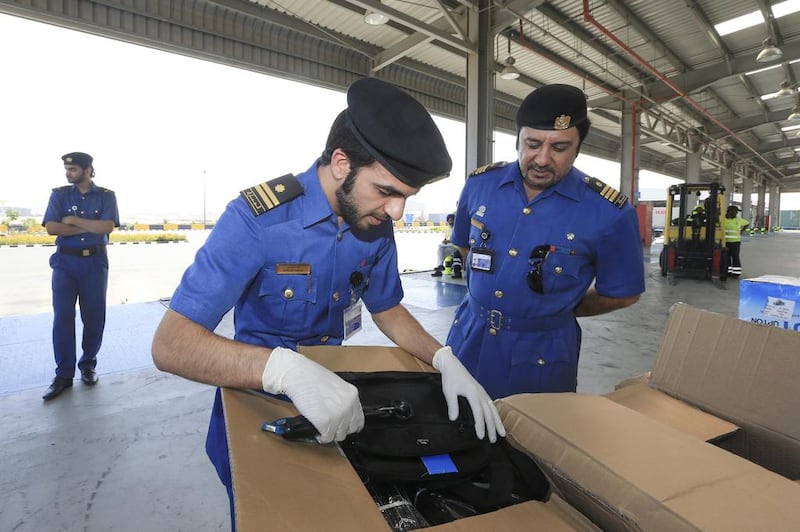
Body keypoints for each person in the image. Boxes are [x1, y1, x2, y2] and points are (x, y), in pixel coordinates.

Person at [150, 77, 504, 529]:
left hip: (338, 404)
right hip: (260, 407)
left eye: (406, 198)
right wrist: (285, 370)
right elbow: (171, 345)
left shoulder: (373, 220)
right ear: (341, 163)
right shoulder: (259, 220)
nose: (396, 212)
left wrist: (442, 356)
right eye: (386, 191)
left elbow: (387, 306)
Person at [444, 83, 645, 400]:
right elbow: (465, 247)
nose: (542, 158)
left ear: (578, 147)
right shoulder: (480, 185)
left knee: (529, 442)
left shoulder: (609, 213)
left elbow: (622, 294)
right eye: (532, 144)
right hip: (469, 336)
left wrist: (556, 308)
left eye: (559, 148)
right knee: (454, 424)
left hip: (541, 354)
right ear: (517, 140)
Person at [41, 152, 120, 401]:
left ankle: (88, 365)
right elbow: (52, 227)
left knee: (94, 317)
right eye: (67, 169)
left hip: (95, 263)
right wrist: (91, 224)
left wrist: (74, 220)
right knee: (63, 316)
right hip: (65, 263)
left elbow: (108, 227)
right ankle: (63, 375)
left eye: (74, 169)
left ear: (88, 170)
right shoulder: (59, 195)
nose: (68, 173)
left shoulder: (107, 196)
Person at [724, 205, 749, 278]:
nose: (736, 213)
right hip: (725, 242)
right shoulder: (723, 219)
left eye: (736, 212)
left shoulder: (738, 220)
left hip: (735, 242)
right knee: (726, 257)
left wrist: (742, 231)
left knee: (735, 257)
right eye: (735, 212)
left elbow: (747, 223)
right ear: (729, 211)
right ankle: (728, 272)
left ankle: (736, 273)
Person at [431, 213, 457, 277]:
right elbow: (445, 238)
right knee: (440, 250)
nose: (450, 222)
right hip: (448, 247)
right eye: (449, 220)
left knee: (440, 250)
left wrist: (448, 241)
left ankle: (439, 268)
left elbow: (459, 240)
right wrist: (445, 241)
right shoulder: (447, 228)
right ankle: (440, 266)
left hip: (455, 247)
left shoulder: (457, 228)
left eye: (451, 220)